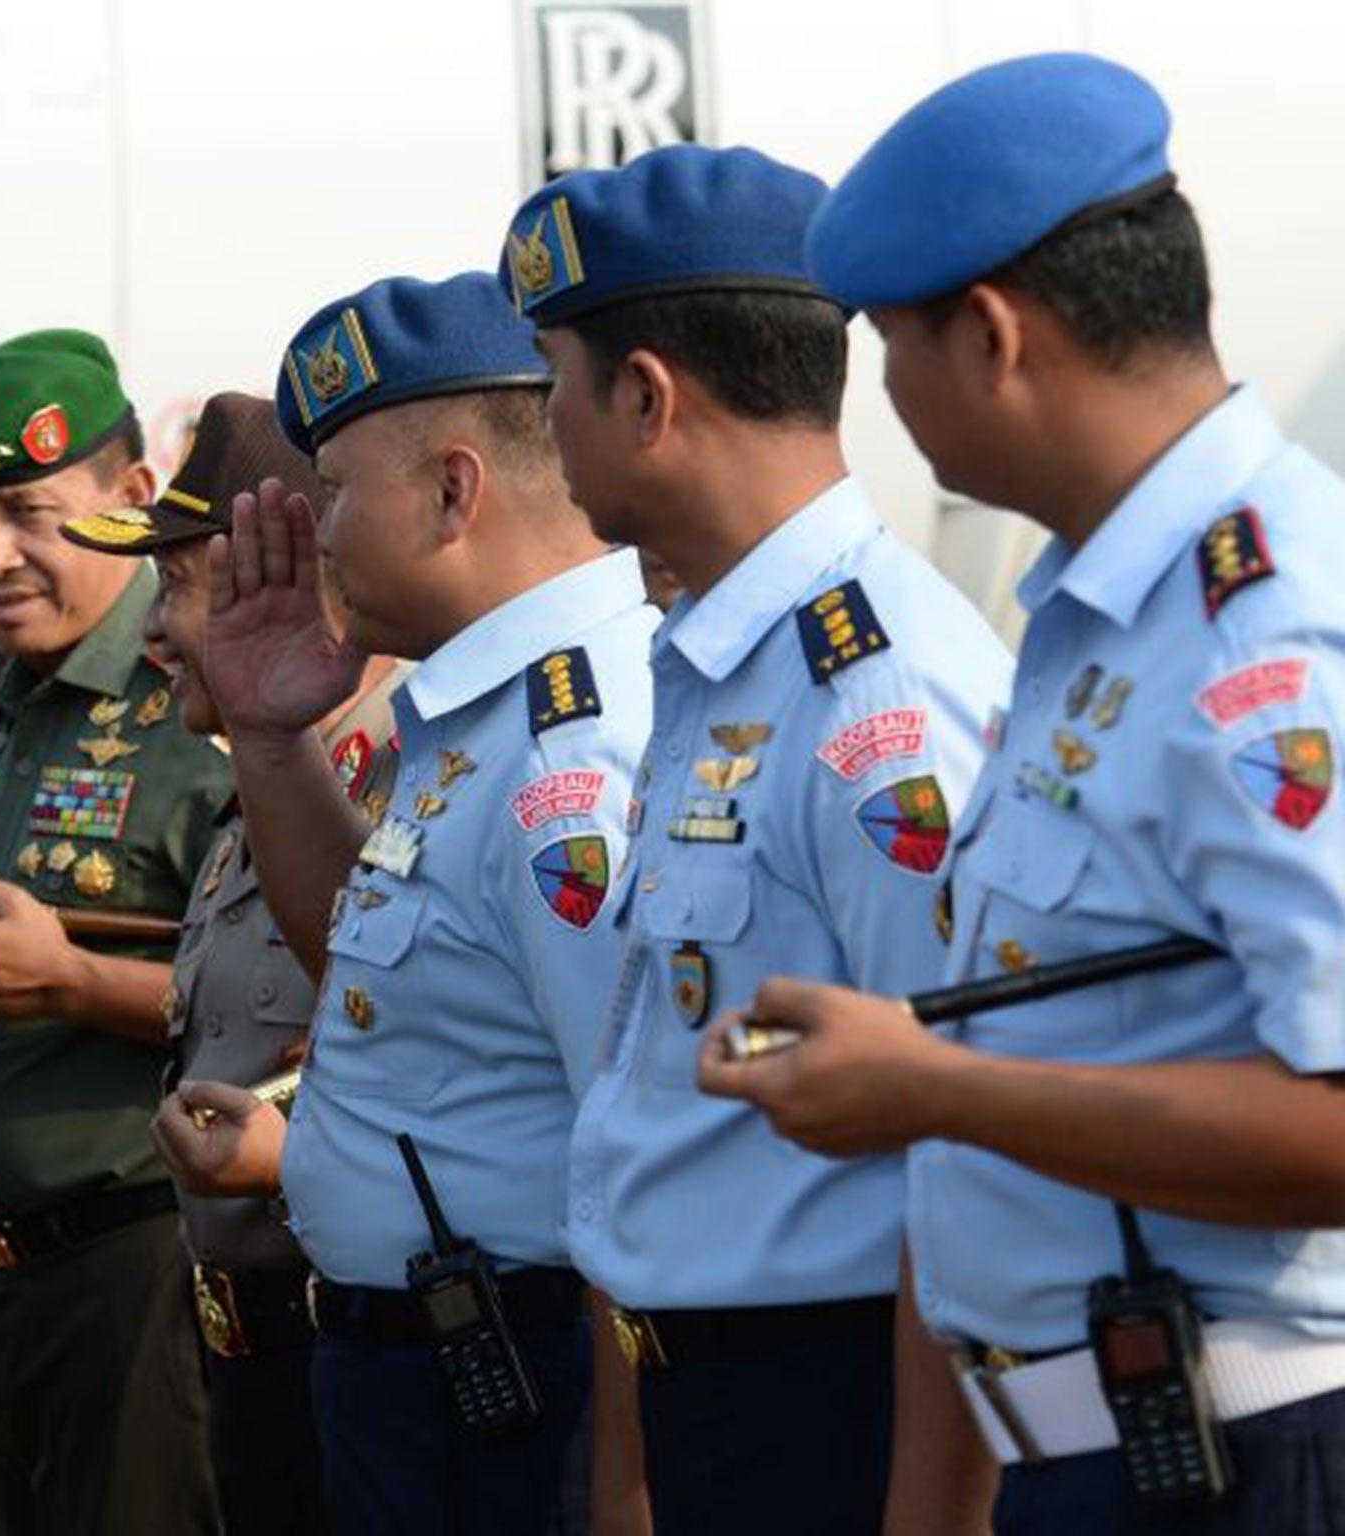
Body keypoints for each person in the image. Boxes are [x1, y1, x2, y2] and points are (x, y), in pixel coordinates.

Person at [702, 52, 1345, 1535]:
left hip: (1252, 1458)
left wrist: (931, 1086)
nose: (887, 402)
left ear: (989, 337)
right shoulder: (1097, 611)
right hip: (1092, 1453)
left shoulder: (1263, 624)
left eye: (887, 348)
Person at [496, 144, 1014, 1533]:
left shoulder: (875, 695)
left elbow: (964, 1153)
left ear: (648, 398)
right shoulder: (720, 666)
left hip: (841, 1421)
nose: (548, 422)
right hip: (711, 1410)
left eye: (554, 380)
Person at [156, 271, 656, 1535]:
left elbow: (637, 1156)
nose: (315, 534)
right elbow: (374, 972)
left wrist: (618, 1495)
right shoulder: (481, 704)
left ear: (451, 488)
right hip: (424, 1380)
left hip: (511, 1389)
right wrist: (271, 741)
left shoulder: (568, 755)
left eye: (333, 492)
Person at [0, 329, 231, 1536]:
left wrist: (70, 982)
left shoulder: (203, 695)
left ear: (132, 498)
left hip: (144, 1264)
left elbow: (310, 1004)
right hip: (4, 1282)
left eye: (30, 513)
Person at [61, 389, 402, 1535]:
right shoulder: (258, 781)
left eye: (177, 585)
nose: (151, 631)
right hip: (233, 1358)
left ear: (285, 580)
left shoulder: (404, 779)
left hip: (349, 1345)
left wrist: (288, 1158)